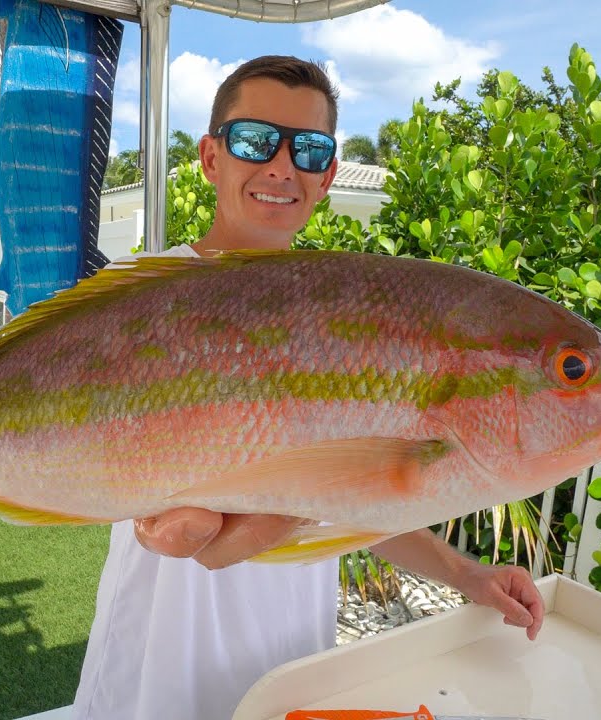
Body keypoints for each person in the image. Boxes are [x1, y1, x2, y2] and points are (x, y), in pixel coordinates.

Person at [71, 55, 545, 720]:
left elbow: (358, 492)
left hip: (289, 649)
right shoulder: (145, 297)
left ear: (326, 177)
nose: (280, 166)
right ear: (211, 157)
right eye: (255, 140)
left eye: (309, 149)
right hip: (162, 646)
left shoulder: (343, 317)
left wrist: (469, 575)